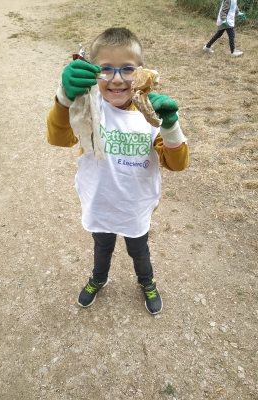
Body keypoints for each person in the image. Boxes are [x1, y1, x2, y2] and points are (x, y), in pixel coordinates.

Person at [46, 27, 189, 315]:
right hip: (100, 202)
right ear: (93, 72)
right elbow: (59, 138)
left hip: (134, 206)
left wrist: (170, 125)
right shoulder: (88, 107)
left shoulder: (153, 112)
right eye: (105, 70)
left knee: (139, 250)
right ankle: (99, 278)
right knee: (102, 248)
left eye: (127, 69)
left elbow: (177, 163)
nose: (116, 79)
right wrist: (64, 98)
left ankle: (147, 282)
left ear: (141, 72)